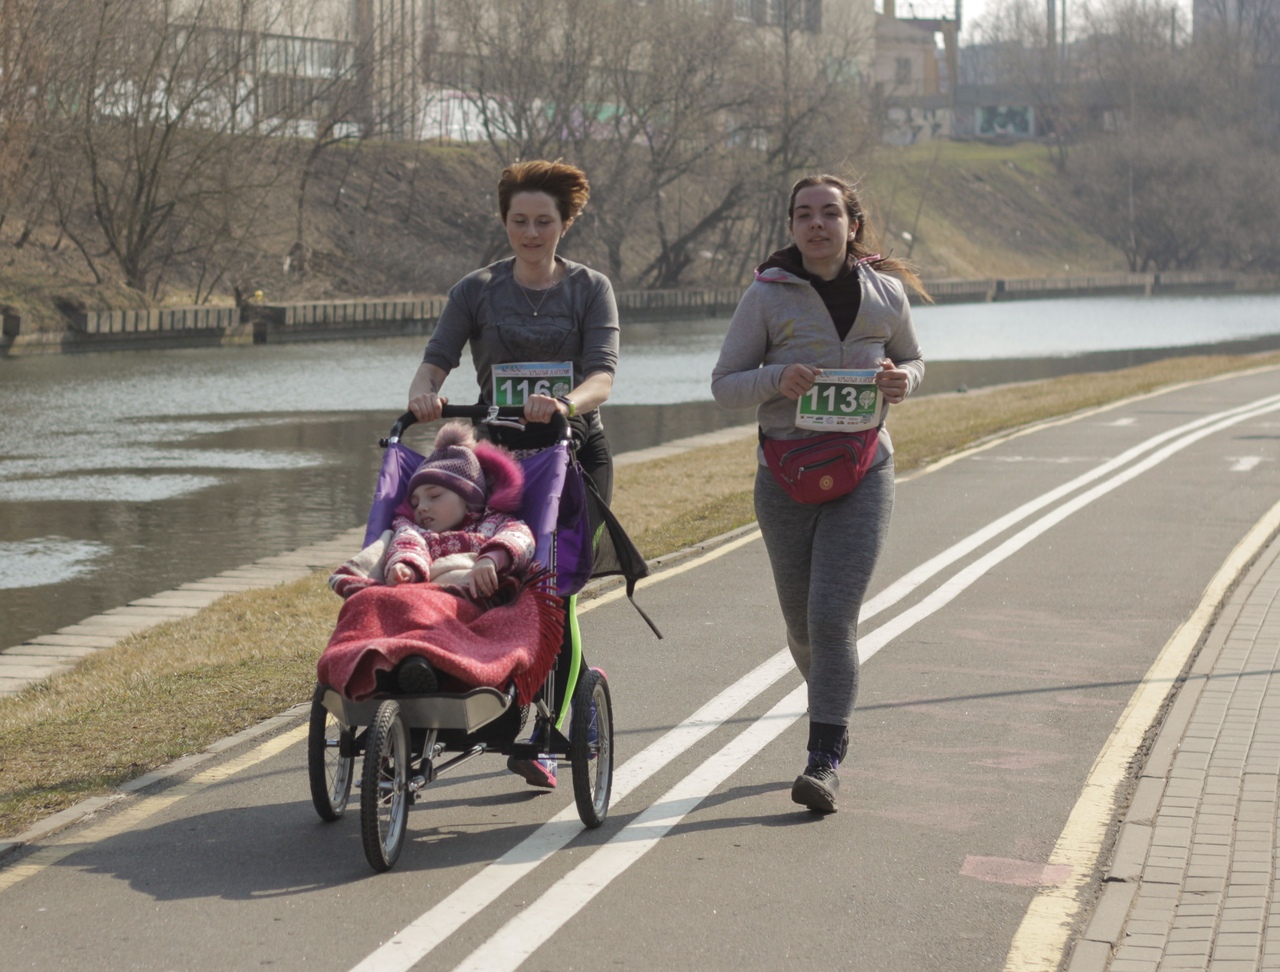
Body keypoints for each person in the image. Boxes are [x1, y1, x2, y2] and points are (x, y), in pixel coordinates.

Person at [711, 174, 928, 814]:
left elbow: (914, 359)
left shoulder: (885, 294)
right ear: (792, 227)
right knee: (803, 626)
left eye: (829, 213)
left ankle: (823, 759)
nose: (816, 224)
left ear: (851, 225)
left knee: (833, 618)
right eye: (804, 214)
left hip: (864, 471)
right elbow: (725, 384)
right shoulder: (766, 296)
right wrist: (778, 377)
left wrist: (903, 380)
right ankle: (831, 694)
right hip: (785, 475)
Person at [406, 159, 620, 788]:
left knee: (556, 590)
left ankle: (545, 731)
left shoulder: (590, 288)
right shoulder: (476, 290)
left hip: (573, 454)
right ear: (504, 222)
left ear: (564, 225)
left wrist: (565, 404)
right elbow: (436, 361)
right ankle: (494, 699)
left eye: (543, 222)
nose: (531, 233)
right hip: (499, 463)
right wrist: (424, 394)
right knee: (497, 583)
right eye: (519, 221)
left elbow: (603, 375)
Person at [327, 421, 536, 695]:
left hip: (465, 600)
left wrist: (491, 559)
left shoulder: (493, 523)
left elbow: (521, 538)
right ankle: (381, 659)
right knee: (370, 600)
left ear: (468, 498)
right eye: (415, 503)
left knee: (436, 615)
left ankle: (420, 662)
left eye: (434, 496)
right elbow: (407, 544)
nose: (422, 507)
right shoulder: (414, 530)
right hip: (421, 595)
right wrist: (406, 567)